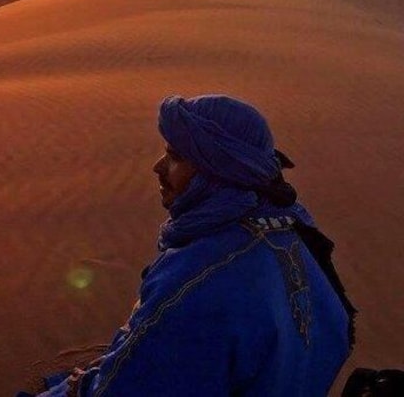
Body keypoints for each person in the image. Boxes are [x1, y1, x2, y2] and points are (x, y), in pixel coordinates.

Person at [39, 94, 355, 396]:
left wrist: (84, 388)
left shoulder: (195, 280)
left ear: (217, 172)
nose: (158, 167)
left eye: (176, 156)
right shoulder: (295, 224)